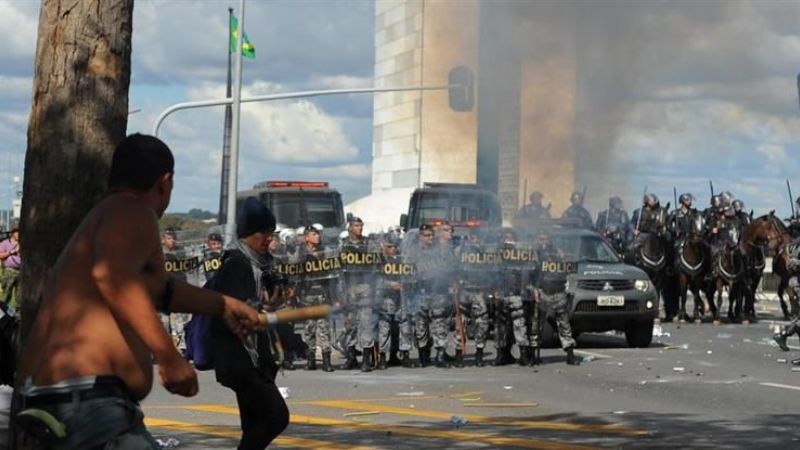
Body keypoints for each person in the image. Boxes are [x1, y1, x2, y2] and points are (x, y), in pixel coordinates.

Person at [15, 134, 263, 449]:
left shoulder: (107, 218)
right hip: (86, 403)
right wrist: (169, 356)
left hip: (55, 400)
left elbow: (157, 289)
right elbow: (113, 278)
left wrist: (222, 305)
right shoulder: (131, 210)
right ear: (165, 182)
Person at [210, 196, 290, 449]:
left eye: (271, 233)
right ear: (247, 234)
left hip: (255, 359)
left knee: (255, 423)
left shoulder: (261, 264)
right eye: (263, 233)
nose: (269, 239)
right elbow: (235, 310)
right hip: (242, 360)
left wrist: (276, 298)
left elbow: (264, 305)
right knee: (276, 417)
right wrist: (263, 308)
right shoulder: (237, 264)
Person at [338, 216, 380, 372]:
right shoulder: (343, 245)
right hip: (349, 287)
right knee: (350, 324)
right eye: (356, 225)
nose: (359, 228)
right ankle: (351, 358)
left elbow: (378, 264)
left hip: (365, 286)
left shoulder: (369, 244)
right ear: (350, 227)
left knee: (366, 323)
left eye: (361, 225)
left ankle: (366, 360)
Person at [532, 231, 579, 365]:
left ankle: (570, 353)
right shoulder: (535, 254)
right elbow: (531, 274)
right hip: (543, 292)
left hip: (558, 292)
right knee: (537, 325)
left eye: (546, 239)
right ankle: (533, 354)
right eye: (541, 239)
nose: (544, 242)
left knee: (564, 323)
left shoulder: (557, 253)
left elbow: (567, 270)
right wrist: (535, 290)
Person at [296, 226, 337, 372]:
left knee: (324, 328)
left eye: (318, 234)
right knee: (309, 329)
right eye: (314, 234)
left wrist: (334, 296)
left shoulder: (325, 253)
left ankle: (326, 360)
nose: (317, 236)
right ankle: (311, 360)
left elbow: (333, 274)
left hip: (322, 295)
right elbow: (294, 273)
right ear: (306, 237)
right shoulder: (300, 254)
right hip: (307, 296)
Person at [0, 226, 20, 307]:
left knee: (20, 297)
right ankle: (3, 312)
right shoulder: (5, 243)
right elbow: (0, 255)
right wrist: (11, 252)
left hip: (21, 271)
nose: (19, 234)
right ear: (13, 233)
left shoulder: (24, 243)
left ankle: (18, 314)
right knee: (6, 295)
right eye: (17, 232)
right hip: (9, 271)